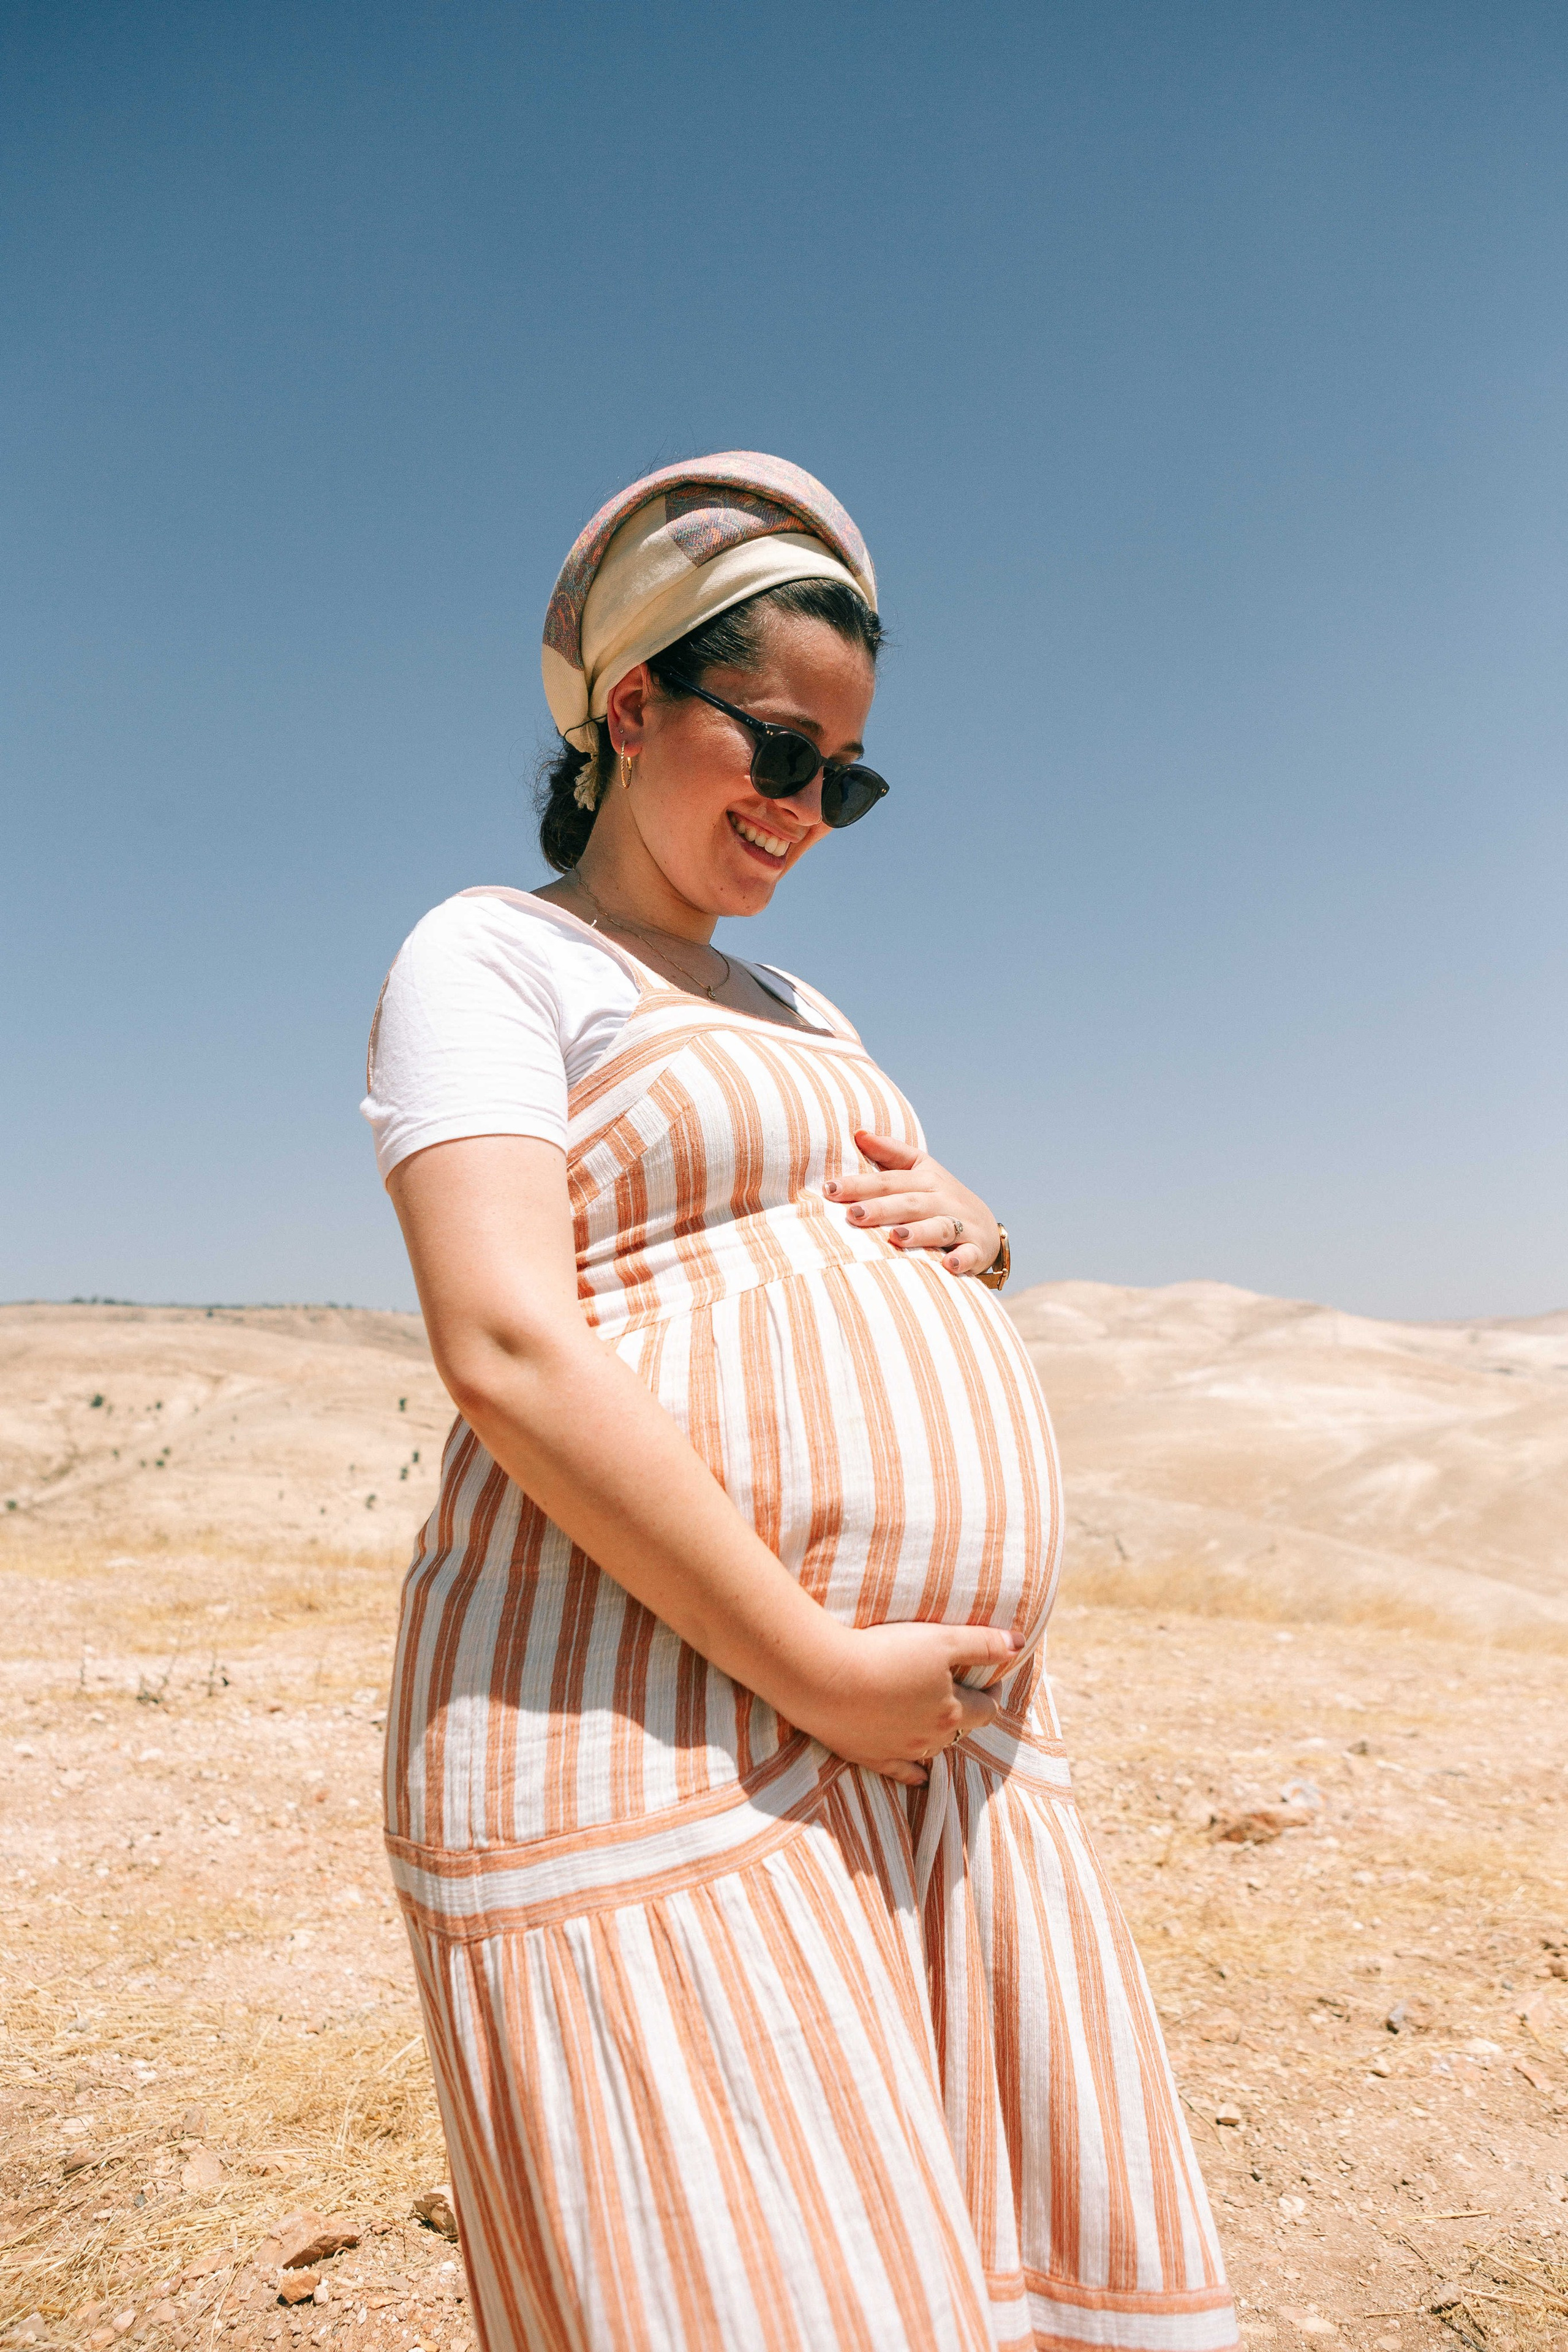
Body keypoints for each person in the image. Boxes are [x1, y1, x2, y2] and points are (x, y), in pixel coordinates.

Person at [362, 453, 1237, 2352]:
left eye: (846, 779)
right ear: (630, 706)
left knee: (950, 2278)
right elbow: (504, 1343)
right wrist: (818, 1663)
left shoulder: (804, 1008)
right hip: (648, 1718)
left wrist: (976, 1235)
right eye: (775, 748)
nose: (805, 812)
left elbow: (822, 1233)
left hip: (921, 1766)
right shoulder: (494, 957)